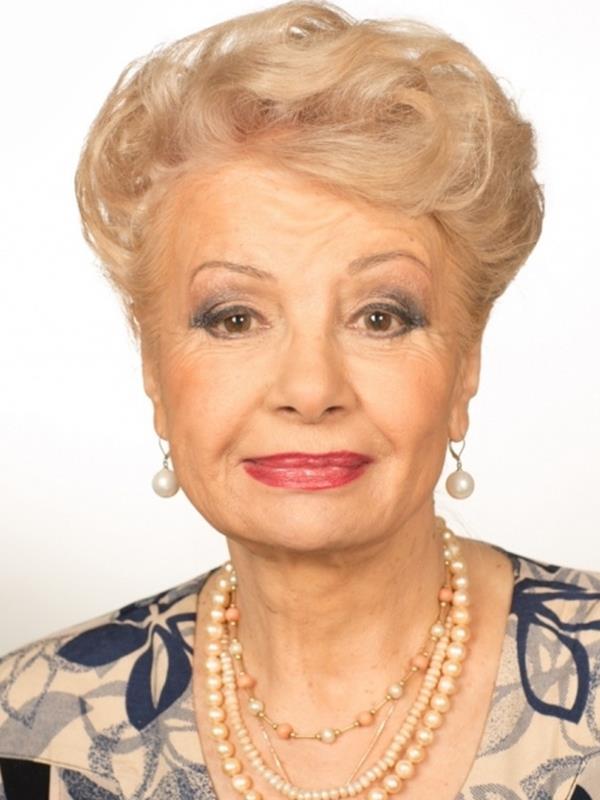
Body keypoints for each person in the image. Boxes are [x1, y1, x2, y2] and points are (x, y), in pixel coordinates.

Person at [1, 1, 599, 798]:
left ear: (465, 368)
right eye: (235, 318)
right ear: (154, 371)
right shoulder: (29, 729)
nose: (311, 390)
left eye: (380, 317)